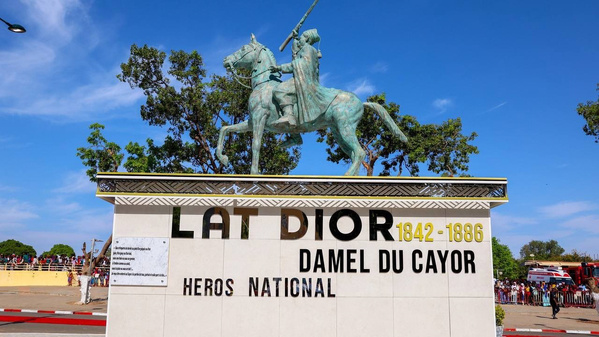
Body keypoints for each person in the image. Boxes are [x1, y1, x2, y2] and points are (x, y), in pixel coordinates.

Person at [270, 29, 336, 128]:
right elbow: (296, 54)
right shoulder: (305, 48)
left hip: (304, 80)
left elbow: (302, 64)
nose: (300, 38)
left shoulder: (308, 49)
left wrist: (280, 67)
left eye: (302, 36)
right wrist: (295, 38)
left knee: (280, 90)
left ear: (307, 38)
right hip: (302, 78)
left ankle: (289, 116)